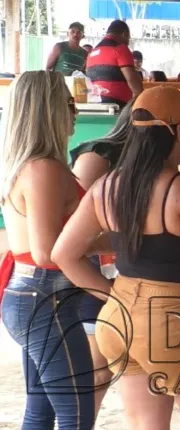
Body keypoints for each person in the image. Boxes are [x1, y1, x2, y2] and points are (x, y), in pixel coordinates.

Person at [51, 86, 180, 429]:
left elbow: (63, 254)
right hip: (174, 325)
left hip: (119, 320)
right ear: (178, 130)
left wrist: (109, 294)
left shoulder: (106, 185)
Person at [0, 71, 96, 429]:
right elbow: (47, 251)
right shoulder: (44, 169)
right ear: (48, 109)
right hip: (44, 300)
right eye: (68, 103)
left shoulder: (28, 166)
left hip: (34, 298)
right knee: (76, 414)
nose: (75, 109)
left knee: (41, 411)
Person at [69, 100, 135, 418]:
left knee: (106, 372)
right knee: (96, 371)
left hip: (117, 270)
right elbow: (74, 228)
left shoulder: (144, 163)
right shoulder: (99, 155)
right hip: (91, 272)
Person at [87, 19, 143, 108]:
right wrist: (139, 101)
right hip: (117, 106)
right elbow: (132, 80)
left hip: (94, 104)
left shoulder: (92, 53)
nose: (128, 42)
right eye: (128, 38)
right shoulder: (120, 48)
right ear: (124, 34)